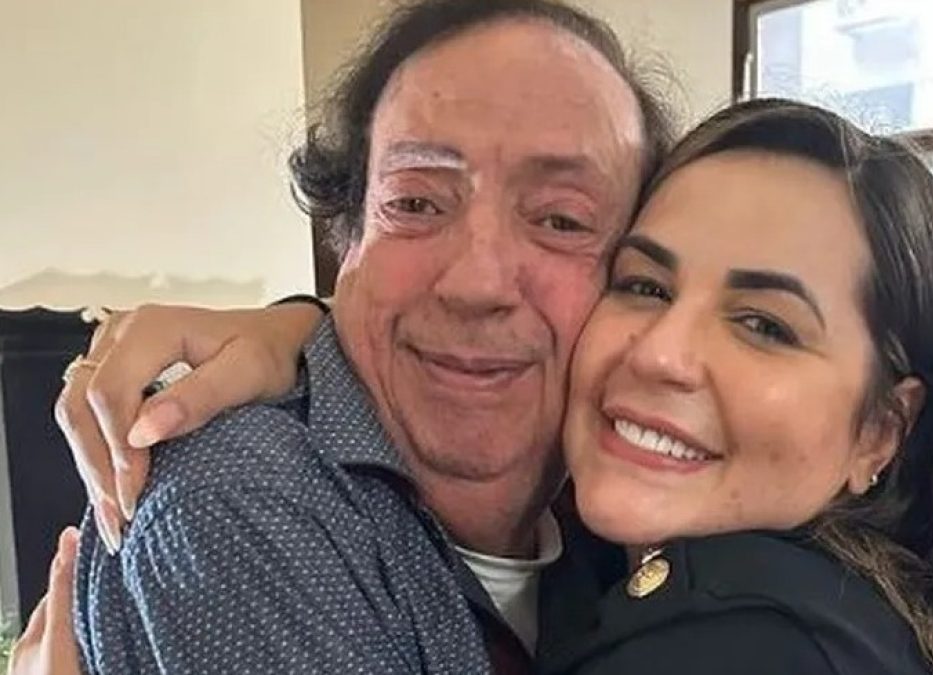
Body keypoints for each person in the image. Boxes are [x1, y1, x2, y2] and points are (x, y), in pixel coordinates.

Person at [16, 98, 933, 674]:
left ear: (882, 430)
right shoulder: (624, 545)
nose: (662, 354)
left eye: (765, 324)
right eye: (644, 283)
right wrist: (315, 328)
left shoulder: (742, 642)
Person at [11, 0, 672, 673]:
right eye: (415, 203)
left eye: (562, 220)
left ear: (640, 282)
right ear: (348, 235)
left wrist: (300, 320)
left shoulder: (617, 502)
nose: (477, 283)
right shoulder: (241, 498)